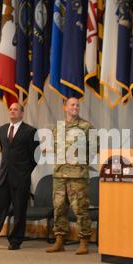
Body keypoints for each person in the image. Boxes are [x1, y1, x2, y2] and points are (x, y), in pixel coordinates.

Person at [0, 103, 39, 250]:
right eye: (10, 109)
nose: (12, 111)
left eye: (16, 109)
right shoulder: (2, 130)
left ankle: (15, 241)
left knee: (19, 211)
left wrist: (24, 171)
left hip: (20, 178)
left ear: (22, 114)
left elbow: (36, 156)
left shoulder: (30, 131)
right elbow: (4, 151)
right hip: (3, 177)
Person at [46, 97, 95, 255]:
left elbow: (94, 149)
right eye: (72, 105)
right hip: (60, 174)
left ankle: (84, 241)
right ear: (65, 107)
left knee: (80, 209)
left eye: (77, 105)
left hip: (77, 175)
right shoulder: (58, 128)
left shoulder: (86, 126)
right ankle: (60, 240)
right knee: (59, 207)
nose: (75, 107)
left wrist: (79, 161)